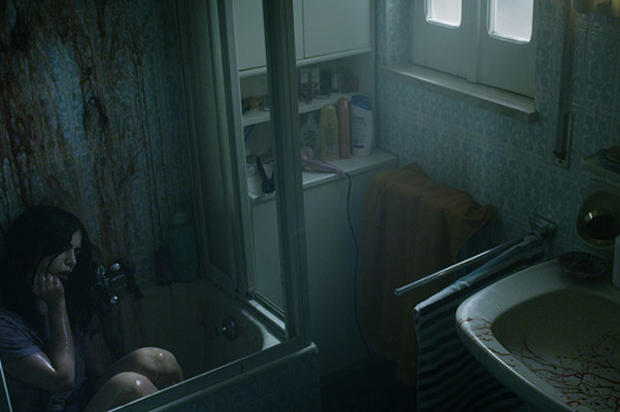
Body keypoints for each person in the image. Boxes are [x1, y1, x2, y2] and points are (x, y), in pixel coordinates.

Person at [0, 205, 184, 411]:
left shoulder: (69, 301)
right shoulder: (6, 326)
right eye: (64, 249)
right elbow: (62, 378)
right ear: (36, 250)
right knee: (132, 386)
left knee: (161, 362)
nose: (72, 261)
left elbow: (98, 374)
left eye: (76, 251)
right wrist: (56, 305)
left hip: (82, 399)